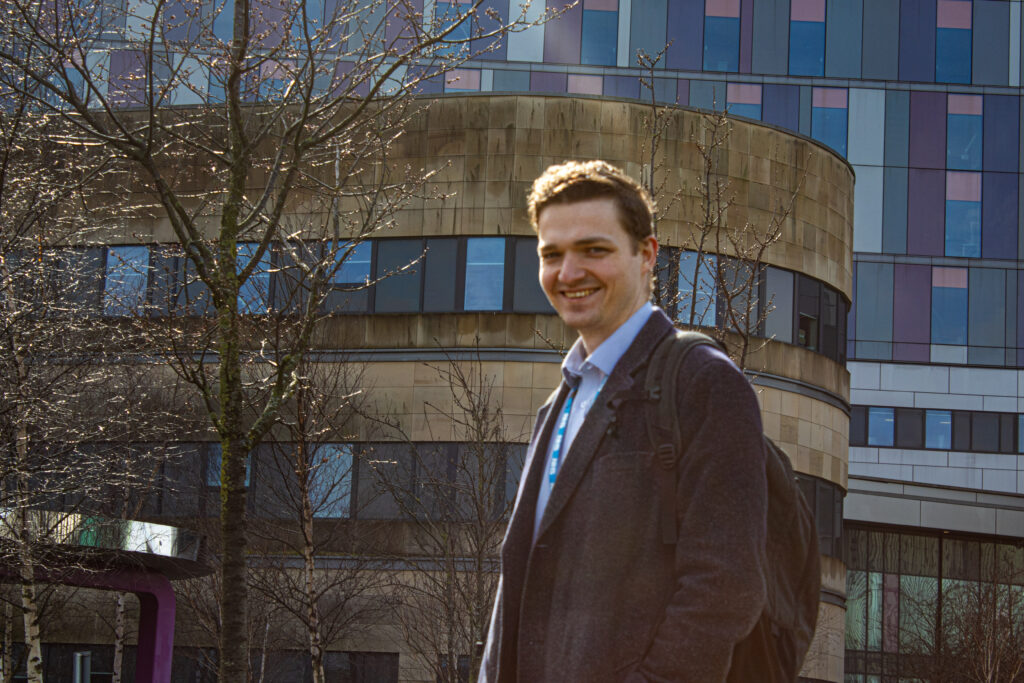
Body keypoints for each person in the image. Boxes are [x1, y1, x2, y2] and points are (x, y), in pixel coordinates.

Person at [478, 160, 769, 683]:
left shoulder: (704, 383)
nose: (568, 273)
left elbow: (725, 586)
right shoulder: (558, 404)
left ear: (646, 255)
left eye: (594, 250)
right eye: (552, 255)